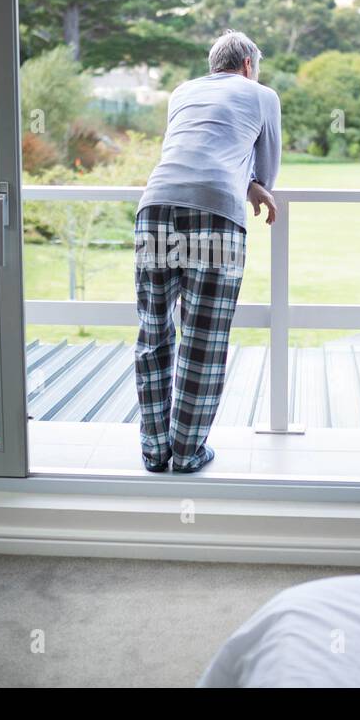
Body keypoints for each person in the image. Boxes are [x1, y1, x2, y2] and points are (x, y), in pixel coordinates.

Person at [133, 29, 281, 473]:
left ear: (213, 65)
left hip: (156, 206)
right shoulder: (260, 94)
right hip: (216, 211)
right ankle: (188, 451)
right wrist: (257, 185)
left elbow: (188, 145)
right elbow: (267, 160)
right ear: (249, 66)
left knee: (154, 330)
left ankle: (154, 450)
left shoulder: (182, 91)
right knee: (204, 338)